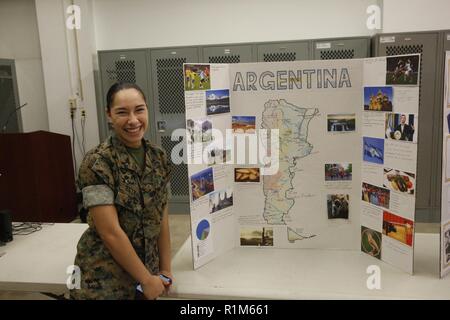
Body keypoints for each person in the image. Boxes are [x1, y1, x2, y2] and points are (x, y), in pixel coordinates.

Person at [70, 82, 172, 300]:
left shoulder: (159, 156)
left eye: (139, 110)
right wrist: (145, 280)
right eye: (122, 112)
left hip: (149, 274)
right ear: (109, 115)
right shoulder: (97, 163)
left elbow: (161, 216)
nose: (133, 120)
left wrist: (165, 268)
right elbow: (109, 232)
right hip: (105, 282)